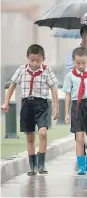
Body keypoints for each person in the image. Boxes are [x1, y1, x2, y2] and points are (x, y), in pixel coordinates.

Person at [1, 44, 59, 176]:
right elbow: (12, 86)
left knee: (43, 133)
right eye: (32, 60)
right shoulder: (21, 70)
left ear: (43, 59)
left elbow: (54, 89)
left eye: (38, 60)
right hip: (27, 104)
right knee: (30, 136)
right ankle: (32, 166)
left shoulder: (47, 70)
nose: (34, 63)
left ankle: (41, 164)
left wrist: (56, 107)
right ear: (27, 58)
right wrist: (6, 102)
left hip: (42, 105)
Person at [63, 47, 87, 175]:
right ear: (73, 61)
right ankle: (81, 166)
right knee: (79, 138)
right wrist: (67, 113)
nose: (81, 66)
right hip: (77, 106)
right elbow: (68, 95)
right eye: (78, 63)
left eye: (84, 63)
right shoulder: (70, 76)